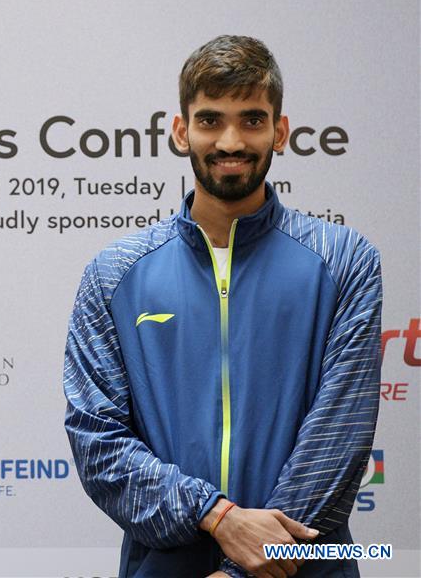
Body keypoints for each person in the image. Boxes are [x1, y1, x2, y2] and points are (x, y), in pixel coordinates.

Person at [63, 35, 381, 578]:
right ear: (181, 131)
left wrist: (239, 574)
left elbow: (338, 439)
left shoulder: (345, 260)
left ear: (280, 131)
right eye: (210, 120)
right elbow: (98, 441)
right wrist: (216, 515)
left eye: (252, 120)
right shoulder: (113, 274)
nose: (231, 141)